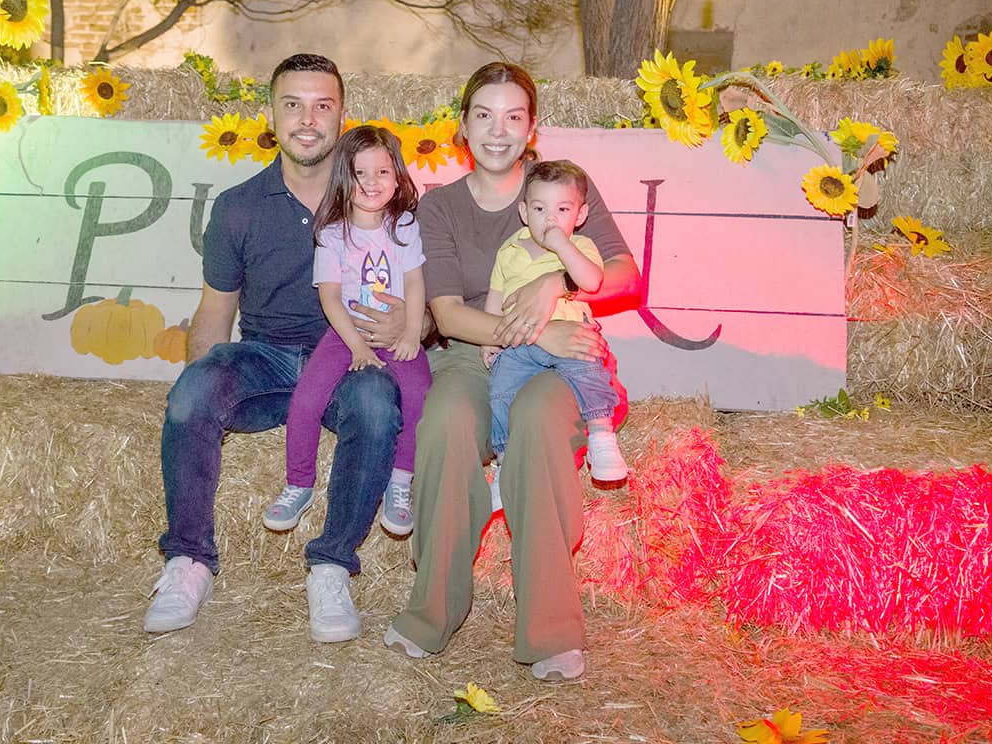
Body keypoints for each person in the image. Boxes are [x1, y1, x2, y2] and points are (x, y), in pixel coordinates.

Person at [384, 62, 642, 681]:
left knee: (535, 422)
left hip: (563, 358)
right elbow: (446, 312)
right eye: (483, 114)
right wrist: (534, 326)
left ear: (533, 128)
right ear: (462, 127)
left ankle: (551, 628)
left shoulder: (561, 187)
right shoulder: (440, 206)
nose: (497, 131)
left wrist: (556, 276)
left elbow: (626, 274)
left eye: (513, 116)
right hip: (477, 351)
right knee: (445, 423)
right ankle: (431, 612)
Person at [144, 54, 409, 645]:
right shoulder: (238, 206)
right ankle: (188, 562)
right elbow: (216, 312)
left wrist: (406, 324)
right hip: (265, 355)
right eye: (293, 104)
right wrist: (201, 393)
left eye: (322, 105)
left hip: (347, 358)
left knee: (374, 405)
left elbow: (423, 293)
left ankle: (332, 566)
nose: (307, 119)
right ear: (271, 114)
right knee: (193, 394)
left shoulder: (379, 203)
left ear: (343, 115)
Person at [264, 125, 431, 538]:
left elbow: (414, 282)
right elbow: (331, 298)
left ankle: (400, 481)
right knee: (306, 399)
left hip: (395, 333)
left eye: (383, 172)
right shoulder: (332, 232)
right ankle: (298, 483)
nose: (372, 183)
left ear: (398, 176)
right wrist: (356, 346)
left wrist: (411, 332)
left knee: (418, 393)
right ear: (344, 177)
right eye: (361, 173)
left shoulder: (404, 225)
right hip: (345, 334)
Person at [481, 159, 628, 512]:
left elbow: (592, 281)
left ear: (579, 215)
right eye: (539, 208)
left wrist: (563, 247)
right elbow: (496, 296)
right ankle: (503, 461)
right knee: (500, 391)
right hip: (519, 341)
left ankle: (601, 435)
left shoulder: (582, 246)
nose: (550, 218)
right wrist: (489, 337)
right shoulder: (510, 250)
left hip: (570, 335)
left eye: (562, 209)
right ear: (523, 211)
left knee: (589, 370)